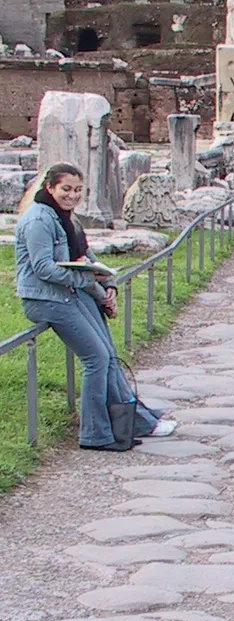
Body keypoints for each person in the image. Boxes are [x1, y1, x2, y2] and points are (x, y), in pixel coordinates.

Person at [14, 165, 174, 451]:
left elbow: (87, 257)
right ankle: (95, 434)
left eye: (77, 190)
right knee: (97, 359)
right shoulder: (39, 220)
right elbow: (43, 268)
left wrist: (107, 287)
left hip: (69, 294)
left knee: (109, 356)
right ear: (50, 187)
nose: (72, 195)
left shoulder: (67, 220)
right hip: (46, 299)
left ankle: (134, 421)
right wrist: (90, 280)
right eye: (66, 189)